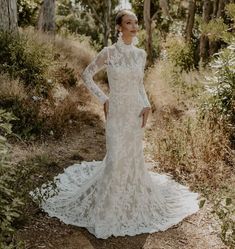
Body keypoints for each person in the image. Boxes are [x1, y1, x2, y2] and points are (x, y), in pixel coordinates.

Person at [30, 9, 200, 239]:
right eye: (128, 22)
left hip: (134, 114)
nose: (134, 25)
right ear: (119, 27)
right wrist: (104, 99)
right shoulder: (108, 52)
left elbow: (140, 85)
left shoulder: (140, 54)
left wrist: (147, 104)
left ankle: (130, 203)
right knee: (115, 158)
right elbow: (86, 75)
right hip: (117, 113)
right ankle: (107, 213)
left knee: (131, 158)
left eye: (135, 22)